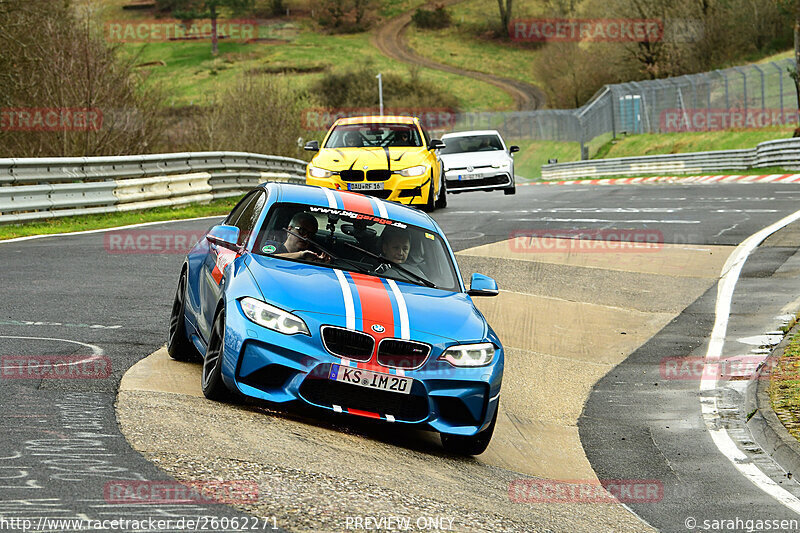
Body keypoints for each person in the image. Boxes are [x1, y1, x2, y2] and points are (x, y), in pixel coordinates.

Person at [262, 212, 329, 262]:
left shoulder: (312, 258)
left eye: (311, 234)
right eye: (302, 231)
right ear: (289, 229)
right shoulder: (271, 246)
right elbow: (266, 259)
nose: (306, 236)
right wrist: (301, 255)